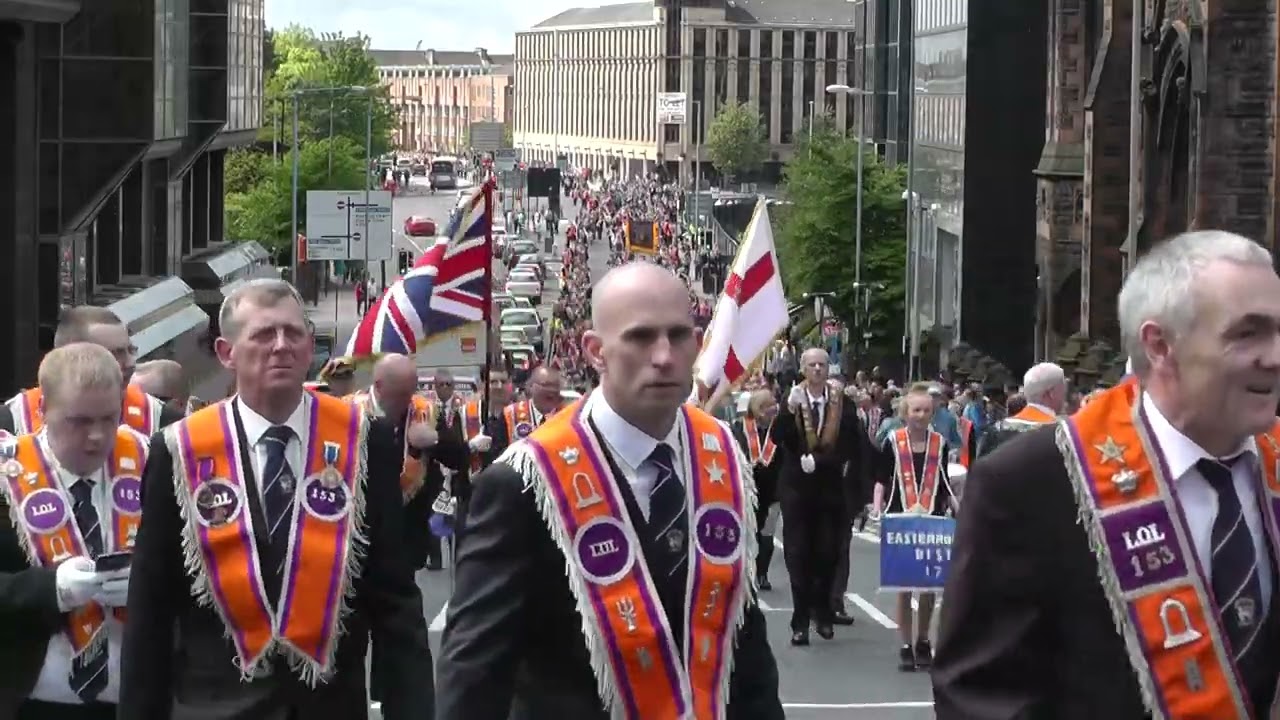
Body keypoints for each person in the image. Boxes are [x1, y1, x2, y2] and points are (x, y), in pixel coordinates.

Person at [932, 231, 1280, 718]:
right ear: (1160, 346)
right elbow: (981, 697)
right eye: (1247, 333)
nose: (1275, 355)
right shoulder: (1030, 484)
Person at [435, 263, 783, 719]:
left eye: (679, 336)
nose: (664, 356)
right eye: (641, 338)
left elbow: (744, 642)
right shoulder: (525, 479)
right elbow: (473, 671)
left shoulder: (722, 453)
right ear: (595, 352)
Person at [118, 279, 434, 719]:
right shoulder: (180, 449)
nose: (282, 346)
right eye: (264, 334)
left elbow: (395, 600)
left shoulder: (363, 440)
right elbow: (151, 605)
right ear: (227, 353)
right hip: (214, 706)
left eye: (294, 333)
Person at [0, 343, 148, 720]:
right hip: (30, 700)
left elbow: (199, 573)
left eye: (109, 418)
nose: (97, 436)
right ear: (42, 409)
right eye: (79, 421)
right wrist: (50, 589)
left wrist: (150, 585)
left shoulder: (153, 462)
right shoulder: (5, 475)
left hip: (137, 698)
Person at [771, 348, 868, 645]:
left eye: (822, 365)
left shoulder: (841, 401)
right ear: (802, 368)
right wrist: (788, 411)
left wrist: (825, 461)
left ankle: (823, 611)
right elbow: (777, 437)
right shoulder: (793, 398)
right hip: (797, 489)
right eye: (811, 364)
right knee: (798, 554)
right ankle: (800, 621)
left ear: (828, 369)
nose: (817, 369)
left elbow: (852, 442)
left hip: (830, 488)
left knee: (828, 553)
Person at [874, 383, 956, 671]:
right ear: (905, 413)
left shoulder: (940, 443)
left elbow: (944, 481)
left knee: (929, 586)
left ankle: (923, 641)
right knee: (904, 587)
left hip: (932, 517)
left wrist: (957, 506)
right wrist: (876, 506)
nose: (921, 415)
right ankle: (905, 644)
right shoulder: (892, 441)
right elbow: (882, 478)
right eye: (916, 410)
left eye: (926, 411)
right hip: (901, 517)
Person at [2, 307, 181, 435]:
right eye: (115, 354)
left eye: (130, 350)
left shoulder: (161, 420)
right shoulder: (12, 422)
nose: (130, 363)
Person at [732, 388, 782, 590]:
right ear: (759, 409)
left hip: (773, 490)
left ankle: (762, 574)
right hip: (747, 490)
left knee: (767, 533)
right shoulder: (739, 428)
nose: (774, 409)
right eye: (770, 406)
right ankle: (746, 572)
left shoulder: (779, 430)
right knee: (747, 532)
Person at [975, 362, 1067, 457]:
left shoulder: (996, 430)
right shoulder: (1062, 434)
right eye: (1063, 390)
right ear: (1051, 393)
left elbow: (981, 464)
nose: (1065, 396)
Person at [489, 365, 566, 456]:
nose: (551, 390)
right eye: (545, 385)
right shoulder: (511, 414)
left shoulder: (568, 415)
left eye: (555, 386)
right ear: (530, 387)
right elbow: (497, 453)